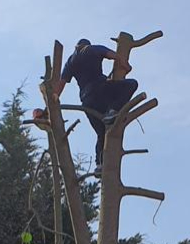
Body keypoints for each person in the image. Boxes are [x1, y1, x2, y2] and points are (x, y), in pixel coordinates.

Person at [53, 38, 138, 173]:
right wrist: (126, 66)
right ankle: (113, 110)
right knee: (132, 84)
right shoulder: (92, 49)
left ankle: (100, 165)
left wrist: (54, 99)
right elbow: (114, 55)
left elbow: (62, 83)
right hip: (101, 90)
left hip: (87, 101)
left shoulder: (71, 60)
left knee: (101, 132)